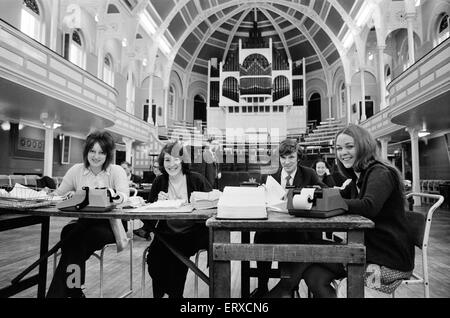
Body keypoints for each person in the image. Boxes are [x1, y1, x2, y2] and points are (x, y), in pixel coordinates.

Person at [267, 124, 415, 298]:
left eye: (349, 146)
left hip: (387, 257)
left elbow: (369, 206)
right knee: (314, 275)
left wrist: (324, 200)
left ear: (364, 145)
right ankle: (283, 291)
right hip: (365, 248)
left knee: (306, 251)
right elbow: (336, 195)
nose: (343, 152)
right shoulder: (358, 177)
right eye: (338, 148)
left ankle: (279, 293)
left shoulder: (380, 172)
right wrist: (315, 194)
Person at [46, 130, 129, 298]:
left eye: (101, 152)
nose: (96, 156)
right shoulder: (76, 170)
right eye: (92, 151)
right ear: (86, 152)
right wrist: (64, 196)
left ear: (107, 155)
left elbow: (124, 197)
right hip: (83, 223)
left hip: (110, 224)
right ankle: (74, 291)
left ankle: (68, 292)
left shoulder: (116, 171)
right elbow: (58, 194)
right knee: (71, 236)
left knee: (74, 240)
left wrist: (111, 194)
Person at [250, 138, 326, 298]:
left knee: (296, 238)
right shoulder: (269, 175)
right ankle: (263, 287)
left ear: (298, 157)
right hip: (272, 227)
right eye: (283, 158)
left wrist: (308, 192)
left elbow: (323, 192)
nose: (287, 162)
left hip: (298, 228)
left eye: (291, 157)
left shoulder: (309, 174)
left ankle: (290, 286)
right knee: (261, 238)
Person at [145, 141, 212, 298]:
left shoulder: (197, 179)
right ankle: (167, 292)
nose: (172, 164)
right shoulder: (159, 182)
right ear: (162, 163)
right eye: (167, 160)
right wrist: (157, 203)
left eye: (176, 159)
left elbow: (214, 202)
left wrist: (199, 202)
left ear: (183, 160)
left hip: (193, 233)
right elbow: (148, 213)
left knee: (176, 260)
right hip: (166, 233)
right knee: (154, 258)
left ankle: (172, 295)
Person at [133, 162, 163, 239]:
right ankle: (146, 230)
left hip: (158, 204)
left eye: (158, 167)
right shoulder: (151, 176)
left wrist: (146, 203)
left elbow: (151, 199)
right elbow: (142, 183)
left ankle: (146, 230)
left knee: (139, 210)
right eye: (154, 167)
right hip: (153, 201)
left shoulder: (162, 179)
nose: (155, 169)